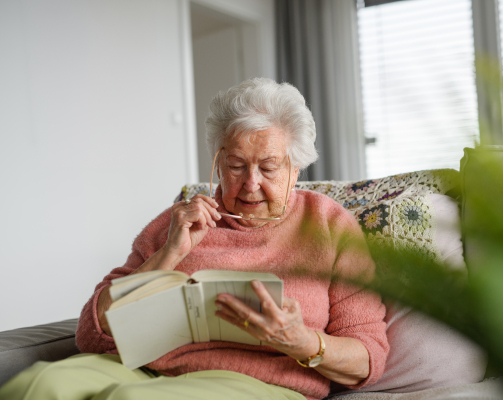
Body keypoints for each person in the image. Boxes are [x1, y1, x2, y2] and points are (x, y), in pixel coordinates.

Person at [0, 78, 388, 400]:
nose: (250, 184)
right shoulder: (178, 222)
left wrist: (301, 341)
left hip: (260, 384)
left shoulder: (328, 225)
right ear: (217, 162)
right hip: (148, 369)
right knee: (36, 385)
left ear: (296, 167)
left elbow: (368, 355)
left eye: (268, 167)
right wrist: (170, 254)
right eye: (235, 166)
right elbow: (90, 333)